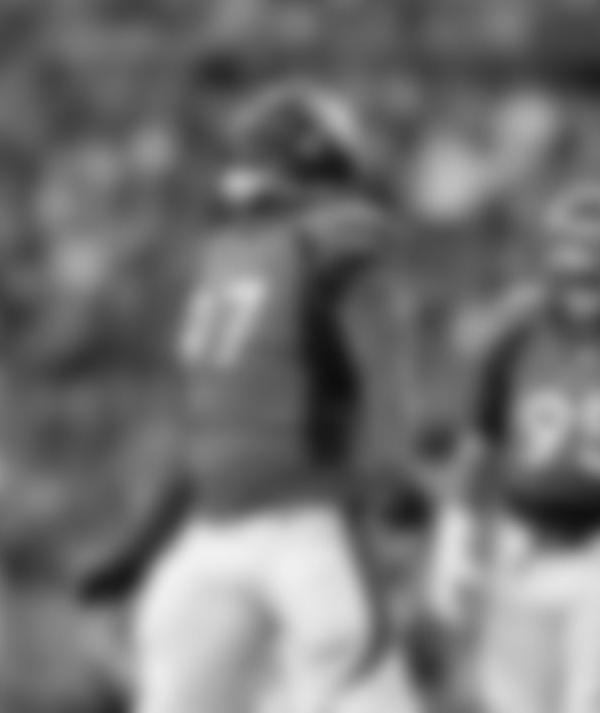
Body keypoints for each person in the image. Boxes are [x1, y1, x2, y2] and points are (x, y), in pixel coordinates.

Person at [74, 83, 423, 713]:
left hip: (307, 522)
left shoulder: (317, 244)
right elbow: (205, 430)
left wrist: (388, 471)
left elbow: (382, 375)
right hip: (221, 531)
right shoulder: (235, 254)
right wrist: (139, 547)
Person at [424, 182, 600, 713]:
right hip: (524, 545)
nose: (586, 283)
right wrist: (454, 538)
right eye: (575, 265)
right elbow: (479, 443)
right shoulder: (515, 331)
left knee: (598, 702)